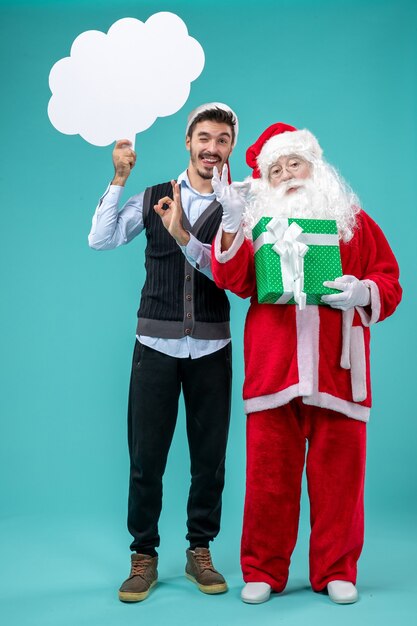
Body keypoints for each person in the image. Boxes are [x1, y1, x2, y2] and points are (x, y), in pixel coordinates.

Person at [211, 123, 402, 605]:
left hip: (339, 373)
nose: (287, 174)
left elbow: (389, 277)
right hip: (275, 369)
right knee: (268, 480)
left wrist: (364, 292)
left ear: (315, 167)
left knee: (340, 478)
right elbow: (234, 278)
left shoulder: (352, 220)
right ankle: (262, 570)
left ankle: (337, 569)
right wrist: (232, 226)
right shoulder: (259, 227)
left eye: (294, 163)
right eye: (275, 169)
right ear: (266, 182)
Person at [88, 103, 238, 602]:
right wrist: (118, 179)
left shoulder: (239, 206)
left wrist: (183, 234)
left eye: (221, 139)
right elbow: (101, 239)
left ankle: (200, 550)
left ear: (230, 148)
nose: (211, 148)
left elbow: (233, 278)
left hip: (213, 347)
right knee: (145, 458)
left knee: (209, 459)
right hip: (154, 345)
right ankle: (144, 556)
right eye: (204, 137)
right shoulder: (153, 196)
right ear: (188, 142)